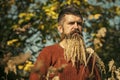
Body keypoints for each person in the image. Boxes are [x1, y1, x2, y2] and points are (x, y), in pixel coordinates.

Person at [29, 4, 103, 80]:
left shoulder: (89, 58)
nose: (76, 27)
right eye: (71, 23)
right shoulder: (49, 53)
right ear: (60, 28)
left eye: (79, 23)